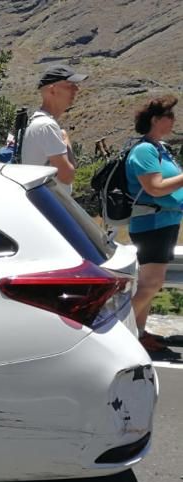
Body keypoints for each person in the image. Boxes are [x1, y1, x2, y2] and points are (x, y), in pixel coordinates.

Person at [125, 95, 183, 354]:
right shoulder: (144, 150)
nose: (173, 121)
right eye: (169, 116)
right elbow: (155, 187)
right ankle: (118, 332)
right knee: (152, 283)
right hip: (153, 222)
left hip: (165, 221)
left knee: (147, 283)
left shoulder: (160, 148)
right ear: (156, 120)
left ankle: (138, 333)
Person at [20, 64, 87, 192]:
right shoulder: (47, 126)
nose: (76, 89)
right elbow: (67, 176)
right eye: (70, 85)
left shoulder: (39, 122)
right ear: (52, 90)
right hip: (50, 206)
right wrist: (66, 141)